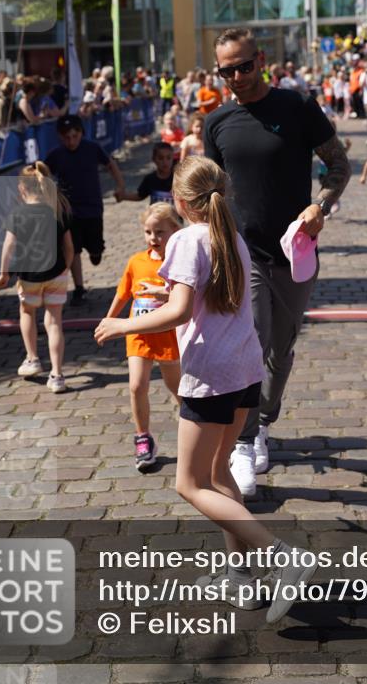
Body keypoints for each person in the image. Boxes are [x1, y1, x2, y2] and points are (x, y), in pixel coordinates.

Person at [95, 157, 318, 622]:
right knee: (220, 476)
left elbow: (179, 314)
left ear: (177, 201)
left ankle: (283, 559)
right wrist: (169, 297)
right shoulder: (228, 234)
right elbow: (208, 299)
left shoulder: (185, 238)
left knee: (189, 483)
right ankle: (240, 579)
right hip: (243, 369)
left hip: (212, 374)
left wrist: (122, 324)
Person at [204, 27, 350, 497]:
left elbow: (339, 166)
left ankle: (264, 419)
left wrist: (319, 207)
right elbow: (211, 192)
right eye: (226, 71)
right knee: (251, 341)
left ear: (261, 59)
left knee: (279, 350)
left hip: (294, 252)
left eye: (244, 66)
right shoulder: (217, 121)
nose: (237, 77)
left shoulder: (298, 107)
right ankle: (243, 443)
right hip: (242, 253)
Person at [103, 203, 182, 470]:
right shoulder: (136, 261)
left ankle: (200, 427)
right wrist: (110, 319)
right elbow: (123, 293)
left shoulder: (180, 263)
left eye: (160, 232)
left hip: (169, 336)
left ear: (175, 230)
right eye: (148, 232)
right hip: (139, 336)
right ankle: (143, 437)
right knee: (137, 386)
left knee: (177, 388)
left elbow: (188, 298)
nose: (153, 238)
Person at [0, 163, 73, 392]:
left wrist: (3, 273)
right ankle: (57, 374)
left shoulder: (17, 214)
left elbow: (8, 246)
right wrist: (66, 268)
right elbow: (69, 247)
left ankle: (32, 358)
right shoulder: (57, 211)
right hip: (57, 273)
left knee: (27, 312)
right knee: (54, 322)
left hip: (29, 276)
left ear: (21, 188)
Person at [45, 115, 128, 306]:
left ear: (81, 133)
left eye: (75, 136)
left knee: (95, 248)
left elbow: (110, 165)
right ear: (60, 137)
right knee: (73, 249)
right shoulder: (57, 154)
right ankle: (79, 288)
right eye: (67, 137)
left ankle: (96, 251)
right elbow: (43, 171)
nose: (71, 141)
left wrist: (120, 185)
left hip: (92, 207)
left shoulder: (92, 148)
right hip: (69, 210)